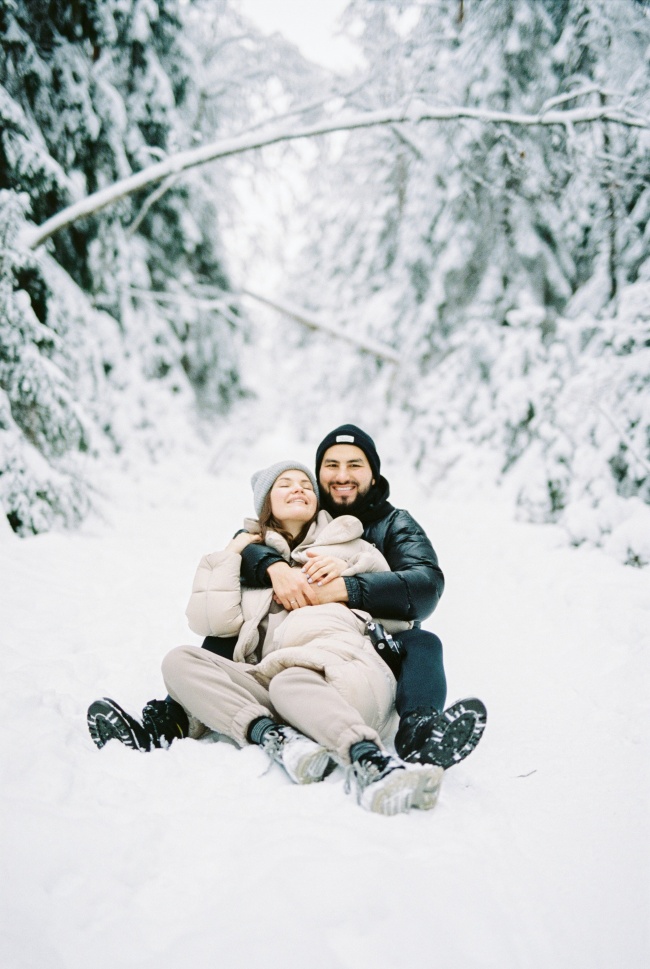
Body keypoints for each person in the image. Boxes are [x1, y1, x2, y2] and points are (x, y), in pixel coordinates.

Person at [88, 461, 444, 816]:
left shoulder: (354, 546)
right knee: (179, 661)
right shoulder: (250, 561)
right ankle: (273, 736)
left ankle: (373, 762)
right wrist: (232, 552)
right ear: (266, 503)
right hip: (275, 683)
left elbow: (397, 618)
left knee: (291, 680)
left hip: (342, 676)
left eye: (306, 484)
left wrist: (349, 575)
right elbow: (211, 622)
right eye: (284, 484)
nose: (298, 488)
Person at [239, 425, 487, 768]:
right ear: (318, 474)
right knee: (233, 628)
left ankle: (420, 730)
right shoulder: (304, 514)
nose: (343, 475)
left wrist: (349, 588)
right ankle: (178, 712)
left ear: (373, 474)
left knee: (423, 643)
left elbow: (426, 584)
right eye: (332, 465)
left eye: (355, 465)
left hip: (371, 638)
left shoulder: (395, 523)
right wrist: (273, 566)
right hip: (305, 636)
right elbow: (247, 542)